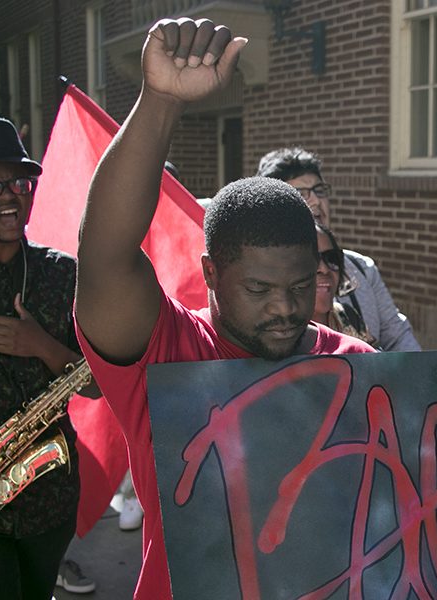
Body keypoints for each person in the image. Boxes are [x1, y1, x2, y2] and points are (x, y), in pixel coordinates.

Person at [73, 19, 376, 600]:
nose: (286, 309)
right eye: (259, 290)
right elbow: (105, 254)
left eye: (300, 284)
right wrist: (159, 101)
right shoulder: (166, 355)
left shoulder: (357, 364)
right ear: (211, 273)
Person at [0, 117, 98, 598]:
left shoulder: (62, 274)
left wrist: (40, 344)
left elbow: (99, 383)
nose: (9, 195)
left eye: (19, 182)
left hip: (49, 494)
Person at [256, 147, 422, 352]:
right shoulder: (260, 277)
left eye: (319, 190)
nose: (316, 201)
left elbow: (399, 339)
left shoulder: (361, 269)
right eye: (300, 194)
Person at [313, 223, 377, 347]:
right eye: (312, 259)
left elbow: (375, 364)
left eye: (331, 258)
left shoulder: (348, 315)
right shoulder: (280, 335)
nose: (324, 269)